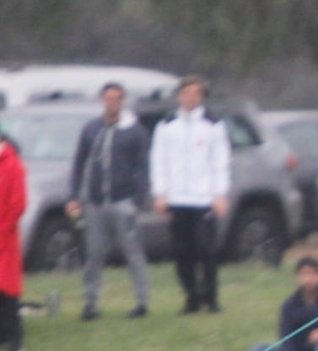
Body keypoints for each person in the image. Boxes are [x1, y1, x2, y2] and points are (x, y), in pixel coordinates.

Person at [67, 82, 152, 320]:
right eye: (108, 98)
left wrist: (138, 200)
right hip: (95, 201)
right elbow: (79, 163)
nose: (112, 103)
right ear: (102, 101)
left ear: (122, 101)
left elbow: (143, 168)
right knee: (94, 253)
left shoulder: (134, 131)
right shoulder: (92, 129)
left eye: (116, 99)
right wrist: (74, 196)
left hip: (123, 200)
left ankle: (142, 301)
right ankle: (90, 303)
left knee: (132, 252)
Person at [150, 75, 231, 314]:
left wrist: (219, 194)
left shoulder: (213, 125)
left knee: (206, 249)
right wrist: (160, 193)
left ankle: (211, 297)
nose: (190, 98)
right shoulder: (167, 125)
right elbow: (158, 161)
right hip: (177, 199)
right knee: (182, 252)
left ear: (202, 97)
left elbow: (220, 162)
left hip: (204, 199)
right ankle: (191, 297)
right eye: (186, 93)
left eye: (196, 94)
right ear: (179, 96)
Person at [0, 130, 27, 351]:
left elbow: (18, 204)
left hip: (5, 239)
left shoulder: (12, 165)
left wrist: (3, 229)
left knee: (8, 291)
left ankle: (16, 343)